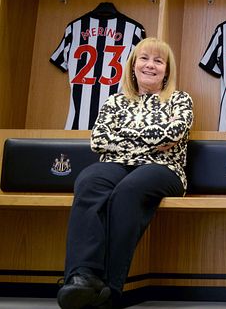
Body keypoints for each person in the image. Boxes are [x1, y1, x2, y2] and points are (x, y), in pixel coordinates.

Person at [57, 38, 193, 309]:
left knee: (129, 190)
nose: (150, 65)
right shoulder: (115, 101)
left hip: (165, 169)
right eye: (144, 59)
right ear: (133, 65)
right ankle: (82, 277)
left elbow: (172, 134)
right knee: (89, 179)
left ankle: (111, 287)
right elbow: (98, 140)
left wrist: (124, 137)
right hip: (116, 165)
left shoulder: (180, 100)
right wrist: (149, 140)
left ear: (167, 70)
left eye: (158, 60)